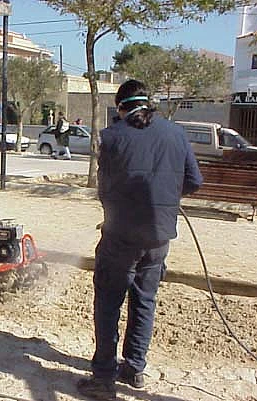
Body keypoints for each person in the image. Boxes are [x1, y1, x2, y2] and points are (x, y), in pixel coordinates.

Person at [77, 80, 203, 400]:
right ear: (149, 102)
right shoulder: (176, 133)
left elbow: (104, 189)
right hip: (159, 236)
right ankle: (134, 369)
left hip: (119, 236)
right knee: (144, 301)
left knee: (108, 303)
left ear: (121, 107)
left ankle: (104, 377)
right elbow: (194, 182)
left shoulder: (112, 136)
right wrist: (164, 198)